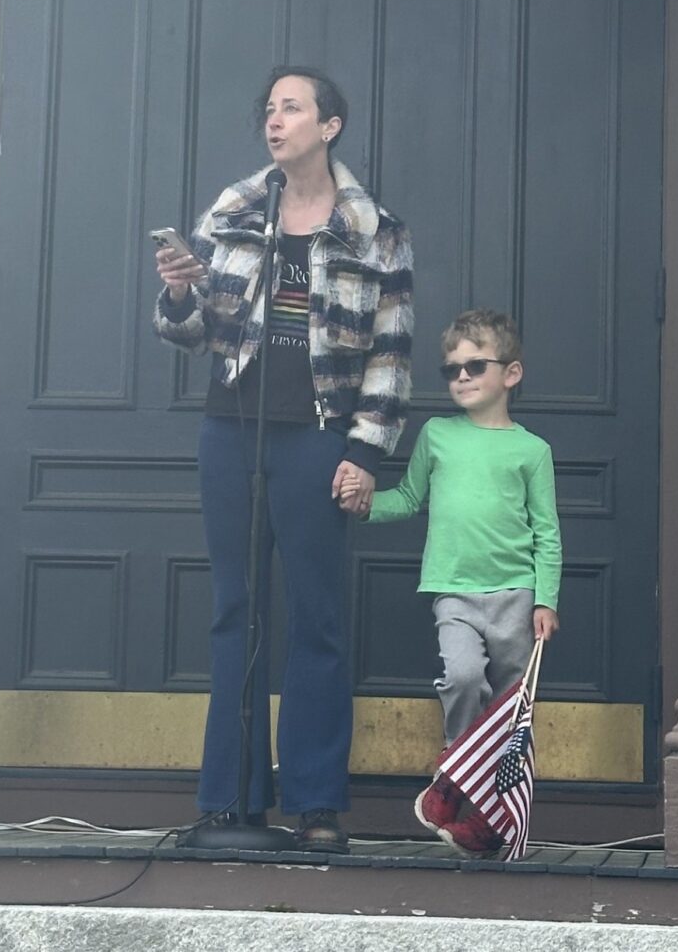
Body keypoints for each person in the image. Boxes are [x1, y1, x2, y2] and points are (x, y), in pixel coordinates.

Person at [153, 65, 413, 853]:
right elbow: (195, 333)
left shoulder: (376, 228)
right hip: (230, 430)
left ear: (328, 126)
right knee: (236, 609)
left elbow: (392, 353)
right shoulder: (235, 209)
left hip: (318, 437)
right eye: (269, 108)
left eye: (291, 108)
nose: (275, 121)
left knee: (317, 619)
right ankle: (231, 800)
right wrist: (178, 295)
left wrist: (365, 453)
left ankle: (316, 802)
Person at [341, 308, 560, 856]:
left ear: (511, 373)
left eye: (475, 366)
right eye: (452, 369)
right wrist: (365, 504)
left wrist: (546, 599)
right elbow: (410, 500)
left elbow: (547, 534)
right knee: (464, 678)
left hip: (517, 594)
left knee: (511, 712)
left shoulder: (532, 450)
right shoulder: (438, 435)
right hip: (455, 591)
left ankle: (491, 821)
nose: (461, 377)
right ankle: (454, 778)